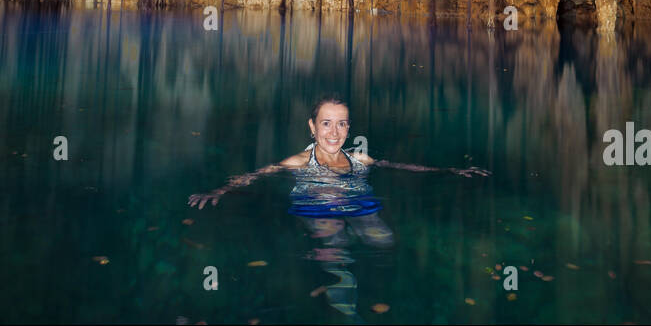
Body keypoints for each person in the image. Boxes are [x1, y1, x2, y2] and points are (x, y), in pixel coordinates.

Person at [186, 96, 489, 210]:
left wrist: (450, 171)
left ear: (348, 127)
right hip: (315, 206)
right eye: (326, 124)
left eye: (341, 124)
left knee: (381, 239)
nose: (333, 132)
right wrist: (221, 190)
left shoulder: (359, 158)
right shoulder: (300, 161)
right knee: (334, 245)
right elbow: (257, 175)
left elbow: (397, 166)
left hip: (358, 202)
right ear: (312, 127)